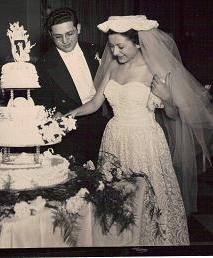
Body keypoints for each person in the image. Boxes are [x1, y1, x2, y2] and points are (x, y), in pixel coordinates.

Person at [66, 15, 212, 245]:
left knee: (148, 200)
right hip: (114, 138)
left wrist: (167, 98)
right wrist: (65, 116)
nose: (114, 52)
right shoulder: (113, 66)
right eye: (111, 46)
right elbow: (95, 104)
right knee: (115, 200)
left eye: (121, 46)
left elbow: (173, 115)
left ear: (138, 43)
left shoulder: (156, 69)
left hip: (145, 142)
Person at [33, 7, 107, 164]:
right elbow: (43, 102)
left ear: (78, 28)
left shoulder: (96, 50)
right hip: (72, 133)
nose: (65, 41)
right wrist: (55, 114)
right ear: (50, 35)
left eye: (70, 34)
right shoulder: (43, 65)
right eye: (58, 37)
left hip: (102, 125)